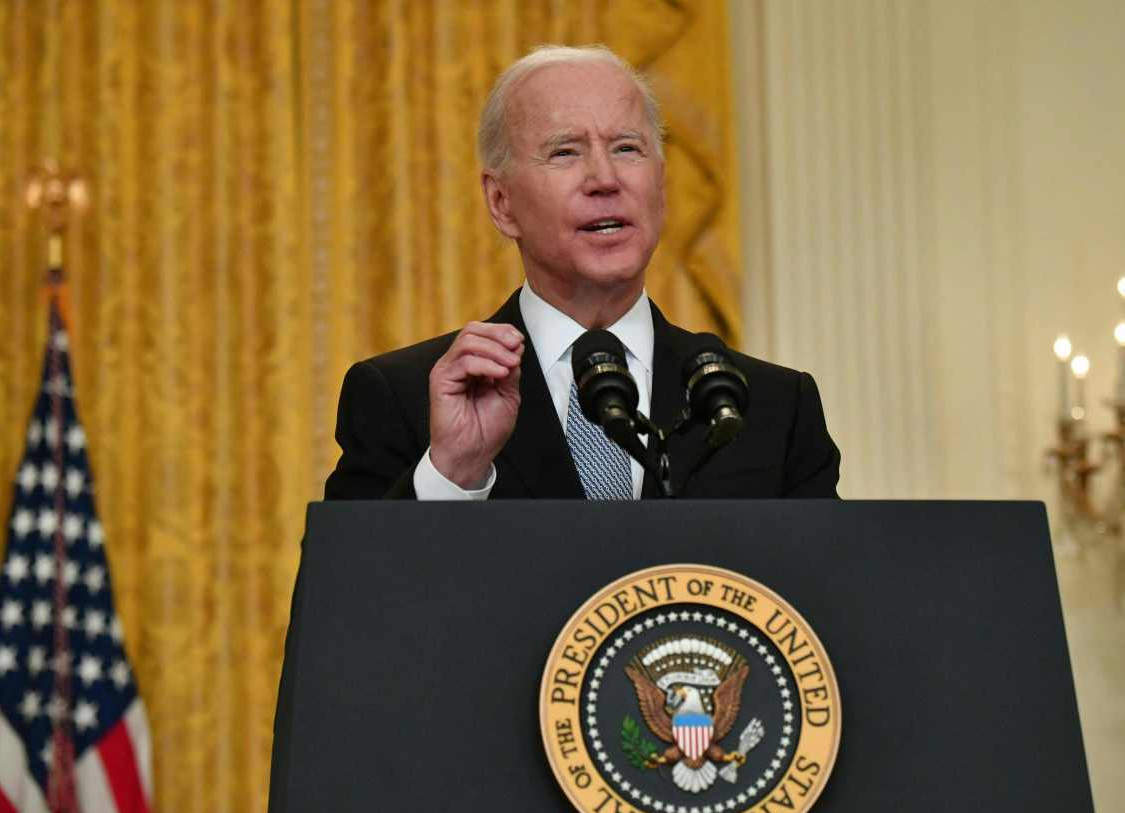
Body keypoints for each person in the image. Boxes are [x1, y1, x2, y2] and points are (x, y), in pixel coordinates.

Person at [323, 45, 839, 501]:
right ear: (501, 202)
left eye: (627, 148)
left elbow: (830, 603)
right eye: (565, 152)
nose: (604, 179)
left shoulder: (771, 407)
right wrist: (451, 473)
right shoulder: (407, 398)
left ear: (660, 186)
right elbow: (343, 606)